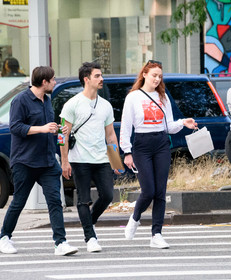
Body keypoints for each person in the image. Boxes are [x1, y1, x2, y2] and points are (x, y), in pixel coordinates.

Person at [0, 66, 78, 256]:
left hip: (48, 162)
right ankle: (4, 237)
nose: (55, 83)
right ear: (44, 82)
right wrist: (41, 128)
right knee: (19, 201)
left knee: (55, 202)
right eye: (52, 80)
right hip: (25, 161)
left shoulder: (47, 100)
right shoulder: (21, 100)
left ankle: (60, 242)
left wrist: (61, 131)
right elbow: (16, 127)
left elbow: (51, 129)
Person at [120, 60, 198, 249]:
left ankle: (156, 234)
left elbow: (169, 126)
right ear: (144, 74)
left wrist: (182, 123)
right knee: (149, 191)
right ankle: (135, 218)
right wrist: (127, 152)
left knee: (161, 192)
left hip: (161, 144)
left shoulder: (162, 97)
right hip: (142, 145)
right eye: (154, 75)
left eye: (160, 76)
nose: (157, 79)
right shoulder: (133, 97)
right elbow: (125, 126)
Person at [60, 62, 120, 253]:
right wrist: (65, 161)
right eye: (97, 76)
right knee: (83, 199)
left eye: (101, 75)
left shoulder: (106, 106)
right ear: (86, 79)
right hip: (79, 159)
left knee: (108, 195)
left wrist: (115, 160)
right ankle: (90, 237)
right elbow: (63, 135)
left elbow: (110, 135)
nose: (101, 79)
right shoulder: (72, 104)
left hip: (101, 159)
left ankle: (89, 223)